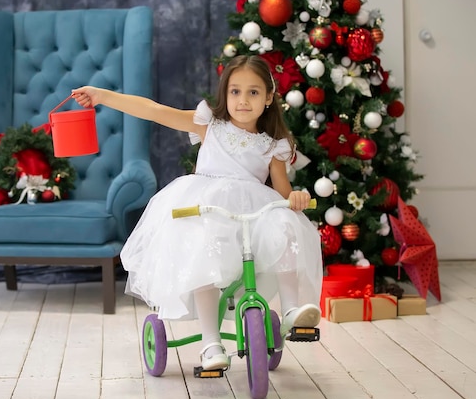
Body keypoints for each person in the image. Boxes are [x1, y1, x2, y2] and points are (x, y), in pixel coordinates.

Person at [73, 55, 322, 371]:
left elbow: (284, 192)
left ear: (269, 97)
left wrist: (296, 197)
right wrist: (101, 95)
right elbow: (154, 111)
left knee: (286, 225)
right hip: (207, 204)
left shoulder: (273, 144)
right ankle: (210, 343)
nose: (243, 101)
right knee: (205, 249)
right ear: (224, 94)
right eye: (235, 92)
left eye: (253, 93)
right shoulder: (210, 125)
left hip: (254, 210)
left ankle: (291, 311)